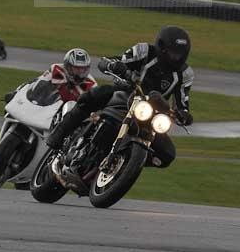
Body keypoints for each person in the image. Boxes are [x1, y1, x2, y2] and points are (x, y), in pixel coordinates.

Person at [46, 26, 194, 168]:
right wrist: (114, 66)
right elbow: (113, 61)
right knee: (94, 95)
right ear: (162, 48)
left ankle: (126, 161)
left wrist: (184, 115)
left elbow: (182, 103)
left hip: (150, 115)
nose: (175, 58)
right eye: (173, 53)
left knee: (167, 154)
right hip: (125, 93)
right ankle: (58, 136)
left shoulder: (185, 74)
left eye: (179, 54)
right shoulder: (144, 51)